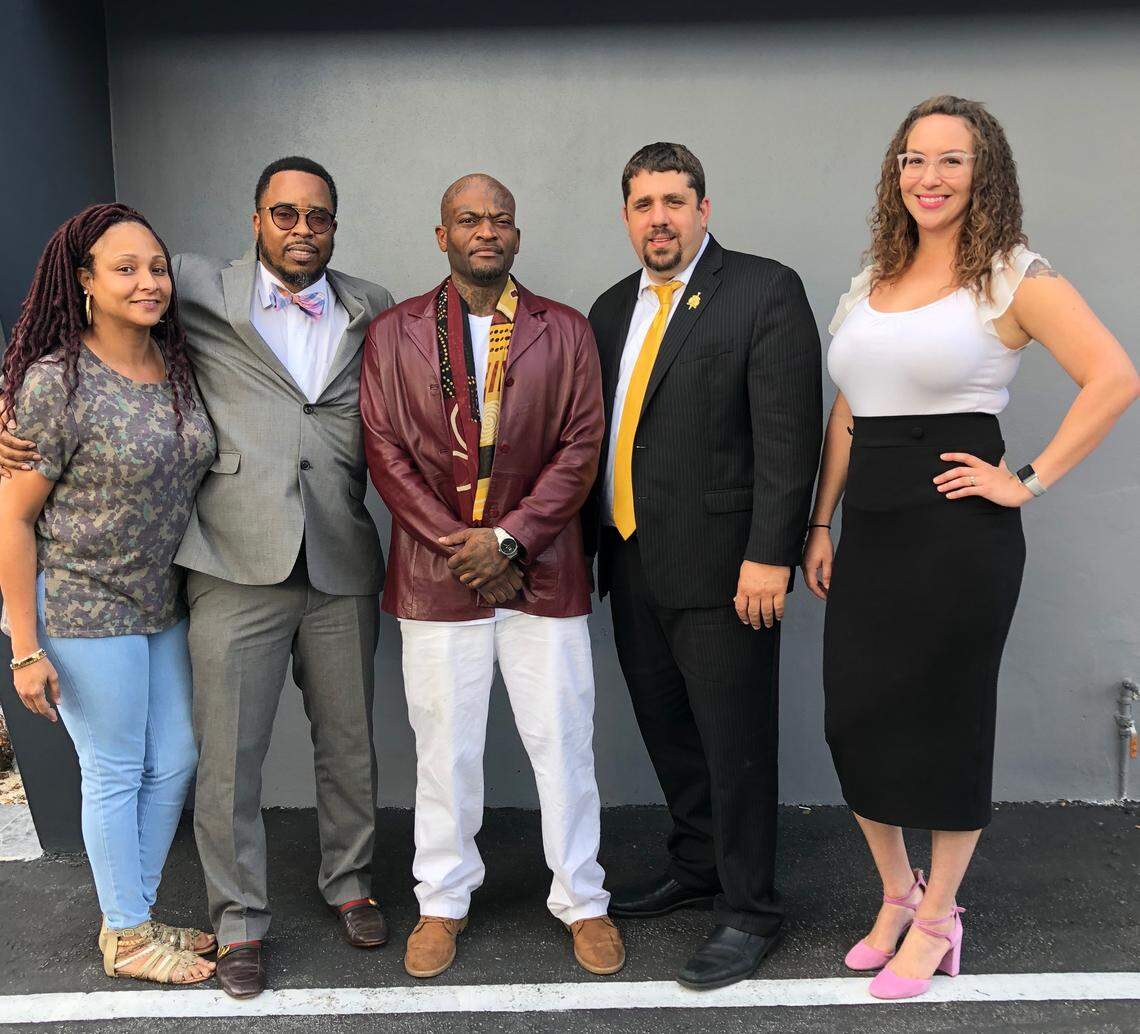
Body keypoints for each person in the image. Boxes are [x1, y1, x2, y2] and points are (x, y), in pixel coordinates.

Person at [0, 158, 395, 999]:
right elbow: (36, 427)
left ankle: (349, 884)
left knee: (331, 744)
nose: (301, 227)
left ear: (335, 224)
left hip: (318, 562)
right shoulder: (194, 289)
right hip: (207, 569)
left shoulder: (370, 306)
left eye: (317, 215)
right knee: (209, 763)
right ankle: (233, 922)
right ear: (255, 220)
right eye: (283, 212)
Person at [802, 95, 1140, 1001]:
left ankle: (942, 915)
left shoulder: (1012, 275)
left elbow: (1115, 376)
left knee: (946, 723)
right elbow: (848, 409)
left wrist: (1023, 480)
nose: (930, 177)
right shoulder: (873, 273)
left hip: (958, 538)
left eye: (951, 160)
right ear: (896, 173)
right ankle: (896, 893)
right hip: (868, 523)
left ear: (982, 172)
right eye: (915, 160)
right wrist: (820, 520)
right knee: (854, 719)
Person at [360, 173, 623, 980]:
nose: (486, 230)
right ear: (442, 235)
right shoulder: (394, 333)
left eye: (499, 219)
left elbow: (582, 448)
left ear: (517, 234)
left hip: (544, 572)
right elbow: (385, 452)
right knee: (442, 752)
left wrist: (508, 542)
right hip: (436, 579)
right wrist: (460, 544)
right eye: (468, 219)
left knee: (566, 747)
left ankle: (583, 899)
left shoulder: (566, 331)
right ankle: (441, 900)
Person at [584, 143, 822, 990]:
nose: (660, 217)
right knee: (671, 733)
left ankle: (750, 909)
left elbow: (790, 438)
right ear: (626, 217)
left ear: (704, 209)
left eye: (675, 201)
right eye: (644, 203)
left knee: (736, 744)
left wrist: (770, 557)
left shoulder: (763, 290)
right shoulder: (610, 310)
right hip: (633, 561)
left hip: (729, 572)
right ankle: (697, 866)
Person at [0, 203, 217, 985]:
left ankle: (134, 915)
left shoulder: (177, 363)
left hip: (159, 598)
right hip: (84, 603)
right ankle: (127, 936)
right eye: (124, 268)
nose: (148, 281)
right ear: (84, 282)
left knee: (176, 758)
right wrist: (24, 648)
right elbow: (13, 518)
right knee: (117, 767)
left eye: (155, 267)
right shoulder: (57, 379)